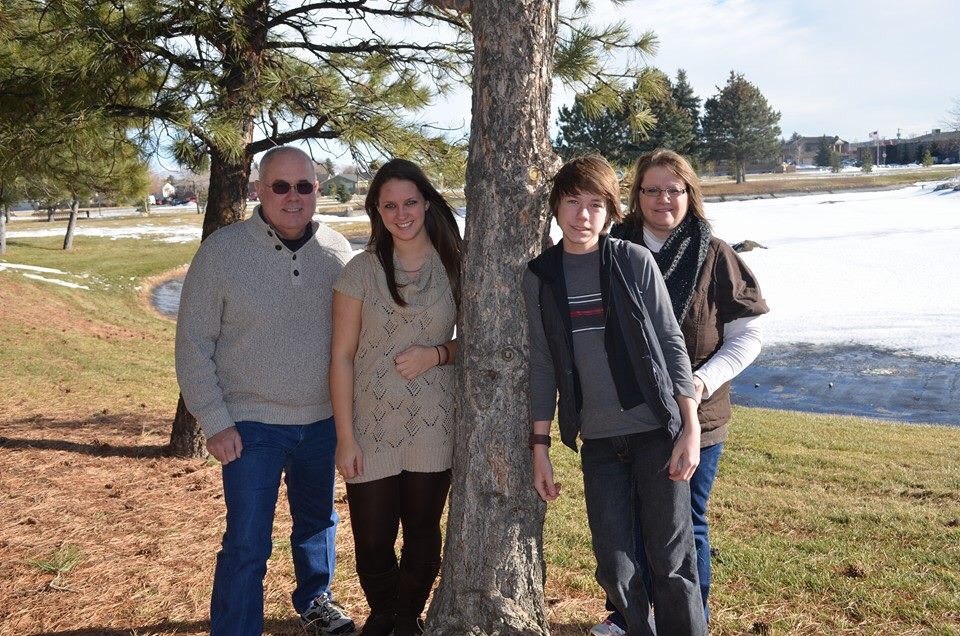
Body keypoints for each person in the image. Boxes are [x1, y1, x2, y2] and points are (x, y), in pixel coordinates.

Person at [175, 146, 356, 636]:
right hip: (250, 425)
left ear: (318, 190)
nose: (293, 197)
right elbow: (193, 342)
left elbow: (357, 339)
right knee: (248, 541)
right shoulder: (223, 252)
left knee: (317, 523)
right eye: (280, 186)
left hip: (322, 421)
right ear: (259, 190)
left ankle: (316, 600)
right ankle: (236, 627)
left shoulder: (340, 253)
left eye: (305, 186)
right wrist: (214, 419)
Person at [523, 156, 708, 635]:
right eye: (571, 203)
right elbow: (543, 365)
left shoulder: (632, 261)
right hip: (600, 442)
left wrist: (689, 428)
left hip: (655, 433)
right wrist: (539, 449)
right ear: (555, 208)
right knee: (615, 566)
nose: (582, 215)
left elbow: (671, 344)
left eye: (594, 205)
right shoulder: (541, 276)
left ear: (609, 213)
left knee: (671, 563)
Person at [590, 149, 769, 636]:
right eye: (652, 189)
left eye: (675, 189)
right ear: (636, 196)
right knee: (627, 521)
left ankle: (691, 617)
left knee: (684, 524)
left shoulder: (715, 253)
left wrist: (702, 380)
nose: (663, 199)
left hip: (698, 417)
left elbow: (747, 334)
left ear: (691, 194)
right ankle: (629, 615)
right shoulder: (609, 250)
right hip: (626, 415)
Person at [330, 159, 461, 636]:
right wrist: (346, 437)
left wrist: (439, 354)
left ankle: (406, 617)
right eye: (389, 205)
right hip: (370, 425)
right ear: (377, 211)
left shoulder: (457, 265)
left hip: (434, 421)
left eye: (410, 202)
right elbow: (341, 357)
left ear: (427, 202)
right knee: (372, 539)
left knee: (424, 532)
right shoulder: (360, 272)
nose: (401, 213)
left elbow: (484, 341)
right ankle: (384, 611)